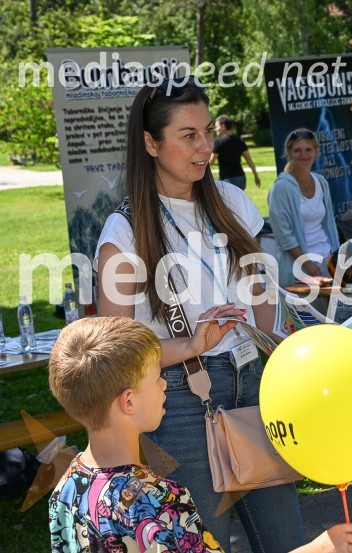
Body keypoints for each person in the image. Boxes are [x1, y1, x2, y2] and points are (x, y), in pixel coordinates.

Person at [95, 78, 304, 553]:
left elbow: (259, 290)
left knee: (287, 540)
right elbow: (113, 352)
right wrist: (191, 345)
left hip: (254, 384)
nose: (206, 146)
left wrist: (279, 343)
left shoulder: (231, 200)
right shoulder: (124, 231)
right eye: (188, 135)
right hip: (179, 404)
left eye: (207, 131)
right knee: (203, 545)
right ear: (151, 143)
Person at [48, 317, 352, 553]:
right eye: (157, 378)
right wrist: (315, 549)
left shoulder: (66, 489)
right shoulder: (159, 502)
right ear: (128, 402)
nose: (164, 384)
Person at [268, 128, 339, 286]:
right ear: (289, 153)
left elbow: (329, 225)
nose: (303, 155)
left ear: (316, 151)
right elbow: (283, 235)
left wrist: (336, 257)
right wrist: (308, 264)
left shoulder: (321, 182)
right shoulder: (281, 188)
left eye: (308, 149)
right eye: (297, 150)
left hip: (327, 261)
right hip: (300, 268)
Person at [210, 115, 261, 190]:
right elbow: (249, 160)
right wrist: (256, 176)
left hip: (227, 179)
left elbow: (211, 162)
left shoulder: (218, 142)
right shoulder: (239, 140)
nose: (215, 129)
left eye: (217, 126)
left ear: (223, 126)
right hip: (240, 178)